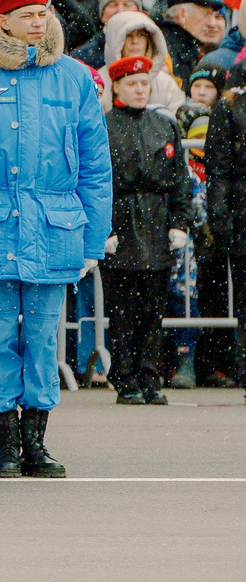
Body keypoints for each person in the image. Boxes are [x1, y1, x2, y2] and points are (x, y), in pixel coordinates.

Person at [0, 0, 110, 478]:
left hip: (55, 227)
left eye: (44, 13)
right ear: (3, 21)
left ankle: (37, 442)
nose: (39, 20)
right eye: (27, 14)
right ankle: (7, 442)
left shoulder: (74, 79)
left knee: (41, 337)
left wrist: (93, 238)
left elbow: (97, 167)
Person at [100, 54, 189, 405]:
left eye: (144, 83)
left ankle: (150, 376)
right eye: (132, 83)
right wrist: (104, 229)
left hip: (155, 221)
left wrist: (179, 222)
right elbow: (99, 182)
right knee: (122, 309)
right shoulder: (104, 125)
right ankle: (125, 377)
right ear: (117, 86)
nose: (140, 89)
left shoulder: (163, 125)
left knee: (153, 309)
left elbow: (179, 180)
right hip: (122, 221)